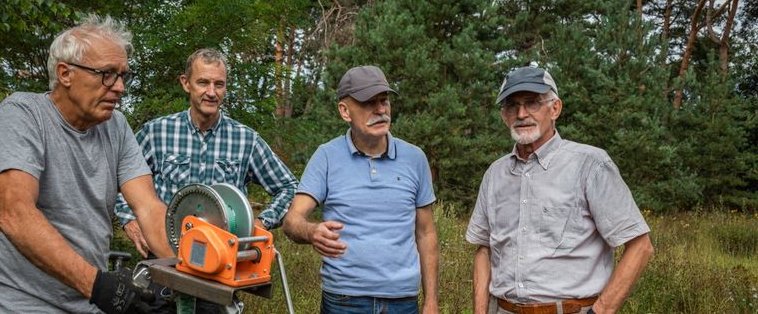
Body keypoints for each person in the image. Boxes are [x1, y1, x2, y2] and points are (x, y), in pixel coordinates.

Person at [0, 15, 174, 313]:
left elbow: (148, 207)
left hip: (88, 303)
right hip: (21, 306)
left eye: (122, 76)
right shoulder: (22, 115)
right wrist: (100, 287)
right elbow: (16, 216)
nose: (119, 87)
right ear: (65, 73)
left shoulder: (115, 126)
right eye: (107, 74)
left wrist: (190, 278)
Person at [114, 48, 298, 312]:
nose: (211, 92)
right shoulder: (157, 133)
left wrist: (261, 222)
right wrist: (129, 220)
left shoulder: (245, 140)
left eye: (219, 84)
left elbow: (290, 187)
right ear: (185, 83)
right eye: (203, 82)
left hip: (219, 273)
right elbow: (121, 177)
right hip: (164, 264)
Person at [466, 65, 655, 314]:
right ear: (504, 116)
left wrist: (600, 311)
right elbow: (484, 250)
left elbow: (640, 247)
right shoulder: (495, 174)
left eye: (532, 103)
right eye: (512, 105)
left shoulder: (590, 165)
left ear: (555, 108)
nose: (521, 113)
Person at [283, 65, 440, 314]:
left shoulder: (415, 158)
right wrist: (312, 232)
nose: (380, 110)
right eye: (369, 102)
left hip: (403, 301)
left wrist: (431, 300)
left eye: (384, 101)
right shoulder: (326, 156)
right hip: (344, 300)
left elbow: (426, 233)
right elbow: (292, 221)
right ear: (345, 111)